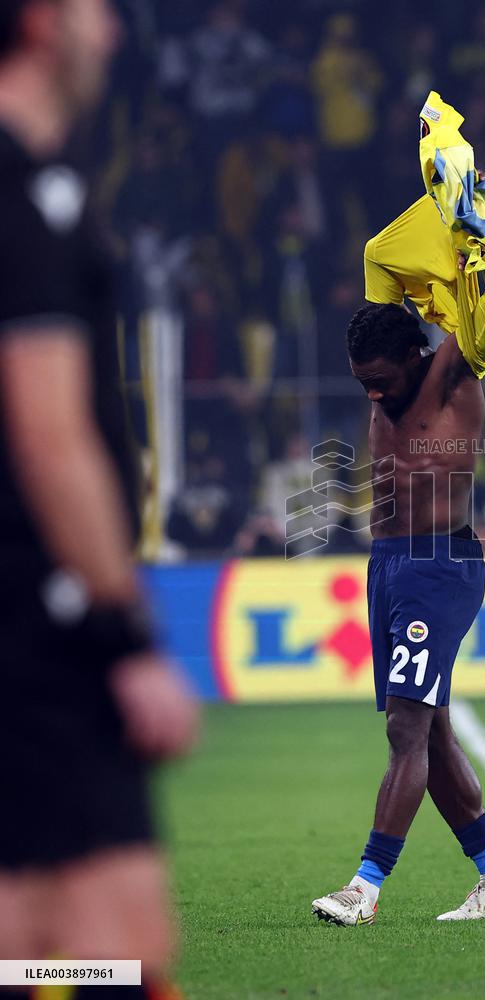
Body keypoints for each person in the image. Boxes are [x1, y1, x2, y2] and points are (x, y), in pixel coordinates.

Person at [0, 0, 198, 995]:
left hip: (34, 620)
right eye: (95, 10)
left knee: (49, 930)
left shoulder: (46, 189)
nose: (113, 33)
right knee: (117, 936)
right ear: (42, 22)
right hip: (41, 623)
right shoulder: (20, 195)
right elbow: (49, 430)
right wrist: (124, 634)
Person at [311, 229, 485, 925]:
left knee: (406, 726)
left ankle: (364, 888)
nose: (372, 391)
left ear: (416, 355)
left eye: (382, 378)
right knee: (429, 733)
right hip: (388, 565)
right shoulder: (387, 366)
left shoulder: (454, 375)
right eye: (360, 381)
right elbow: (379, 265)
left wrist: (482, 237)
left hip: (440, 564)